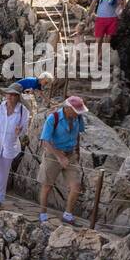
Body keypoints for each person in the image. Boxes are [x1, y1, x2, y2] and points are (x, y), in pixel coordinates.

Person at [38, 95, 88, 224]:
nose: (79, 113)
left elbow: (78, 134)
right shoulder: (53, 118)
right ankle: (43, 214)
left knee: (76, 186)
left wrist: (77, 152)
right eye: (77, 111)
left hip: (71, 155)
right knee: (47, 185)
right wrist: (59, 156)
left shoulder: (78, 117)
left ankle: (68, 214)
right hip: (53, 154)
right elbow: (45, 141)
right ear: (67, 108)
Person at [91, 0, 124, 74]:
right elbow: (94, 2)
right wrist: (88, 14)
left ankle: (100, 58)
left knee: (107, 41)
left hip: (112, 18)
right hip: (100, 17)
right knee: (98, 40)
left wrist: (121, 0)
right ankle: (96, 60)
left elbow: (121, 3)